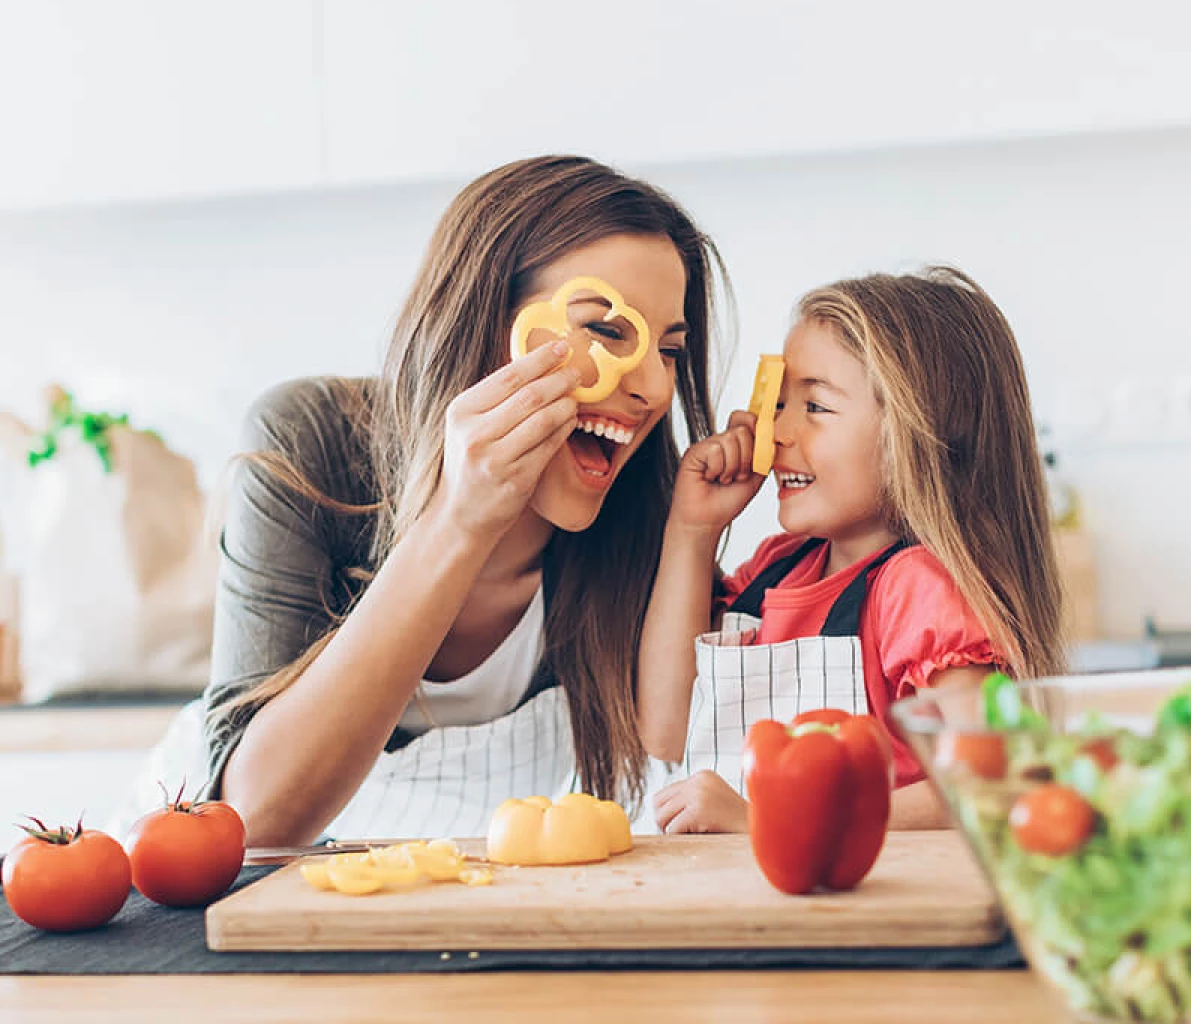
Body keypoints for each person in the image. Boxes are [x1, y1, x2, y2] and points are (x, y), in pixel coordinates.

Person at [202, 156, 726, 847]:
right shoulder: (309, 440)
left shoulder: (647, 517)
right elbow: (256, 824)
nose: (654, 389)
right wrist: (461, 519)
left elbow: (677, 747)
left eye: (670, 350)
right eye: (605, 332)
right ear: (483, 322)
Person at [636, 266, 1066, 834]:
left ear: (915, 435)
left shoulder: (919, 590)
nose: (777, 433)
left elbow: (990, 781)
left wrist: (774, 820)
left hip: (872, 916)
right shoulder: (776, 570)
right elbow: (667, 731)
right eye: (780, 404)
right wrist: (692, 532)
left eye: (814, 407)